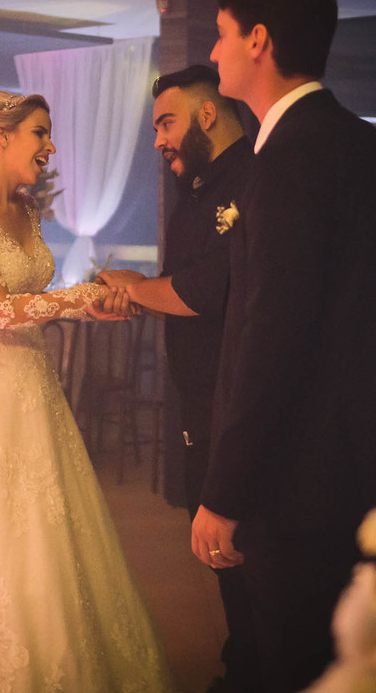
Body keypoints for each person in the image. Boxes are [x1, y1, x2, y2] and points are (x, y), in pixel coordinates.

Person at [193, 0, 376, 691]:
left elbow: (273, 335)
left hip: (297, 482)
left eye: (221, 33)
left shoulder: (290, 159)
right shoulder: (366, 145)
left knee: (297, 660)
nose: (213, 51)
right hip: (365, 460)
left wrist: (225, 491)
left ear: (258, 40)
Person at [0, 91, 174, 693]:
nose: (50, 147)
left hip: (40, 387)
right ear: (3, 137)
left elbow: (43, 302)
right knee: (4, 531)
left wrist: (100, 307)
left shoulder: (30, 210)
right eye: (40, 133)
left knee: (59, 532)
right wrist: (85, 296)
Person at [97, 65, 258, 692]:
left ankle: (257, 667)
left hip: (235, 393)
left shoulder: (254, 179)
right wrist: (135, 295)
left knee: (240, 545)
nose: (159, 139)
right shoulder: (195, 188)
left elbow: (210, 290)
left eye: (167, 122)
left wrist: (140, 289)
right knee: (215, 545)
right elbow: (177, 288)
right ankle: (243, 658)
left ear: (207, 114)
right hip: (197, 394)